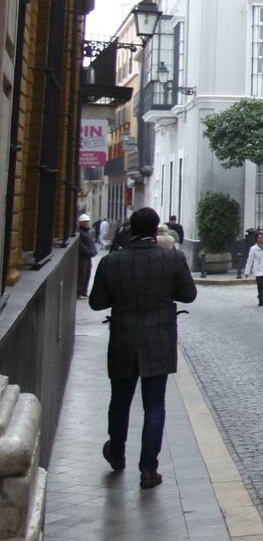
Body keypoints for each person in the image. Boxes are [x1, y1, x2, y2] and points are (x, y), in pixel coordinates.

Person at [87, 207, 197, 489]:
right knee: (155, 404)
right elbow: (188, 295)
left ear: (131, 230)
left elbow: (96, 302)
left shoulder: (112, 262)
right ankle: (149, 469)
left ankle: (117, 452)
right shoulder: (173, 259)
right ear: (156, 229)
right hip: (159, 338)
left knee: (120, 400)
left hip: (123, 338)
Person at [73, 213, 98, 298]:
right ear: (81, 223)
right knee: (82, 274)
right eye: (86, 222)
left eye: (88, 221)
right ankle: (79, 291)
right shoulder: (80, 232)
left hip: (88, 257)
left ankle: (84, 290)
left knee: (87, 274)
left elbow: (91, 243)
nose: (88, 223)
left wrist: (93, 251)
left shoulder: (87, 232)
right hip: (83, 257)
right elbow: (81, 245)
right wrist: (89, 252)